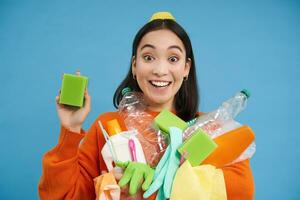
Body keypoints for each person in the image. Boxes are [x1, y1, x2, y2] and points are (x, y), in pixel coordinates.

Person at [38, 12, 255, 200]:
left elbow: (241, 192)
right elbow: (65, 196)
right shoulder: (108, 125)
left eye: (173, 58)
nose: (160, 70)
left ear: (186, 68)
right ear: (135, 65)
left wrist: (150, 189)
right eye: (149, 57)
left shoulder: (212, 129)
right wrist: (71, 129)